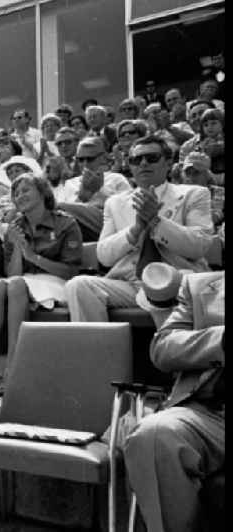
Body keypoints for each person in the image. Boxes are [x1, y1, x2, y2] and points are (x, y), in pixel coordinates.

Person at [65, 136, 214, 321]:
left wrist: (156, 222)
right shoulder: (115, 202)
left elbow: (199, 245)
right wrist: (135, 230)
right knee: (79, 285)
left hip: (177, 279)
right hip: (129, 282)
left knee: (164, 283)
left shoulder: (193, 194)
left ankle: (170, 347)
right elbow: (104, 255)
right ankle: (97, 349)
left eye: (151, 158)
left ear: (168, 162)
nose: (143, 163)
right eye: (136, 160)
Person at [123, 270, 224, 532]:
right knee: (155, 435)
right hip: (210, 414)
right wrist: (220, 340)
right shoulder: (199, 286)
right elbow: (163, 348)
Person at [0, 174, 82, 393]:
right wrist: (17, 249)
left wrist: (33, 257)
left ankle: (14, 367)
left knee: (16, 285)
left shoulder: (66, 223)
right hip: (23, 282)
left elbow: (70, 272)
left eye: (26, 190)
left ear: (43, 193)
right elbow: (13, 273)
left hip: (57, 282)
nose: (20, 196)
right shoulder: (15, 226)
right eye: (16, 193)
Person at [57, 136, 132, 241]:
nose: (85, 164)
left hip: (107, 223)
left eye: (90, 159)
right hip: (75, 227)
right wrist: (82, 197)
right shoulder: (70, 183)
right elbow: (59, 214)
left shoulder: (116, 178)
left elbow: (126, 211)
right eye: (80, 160)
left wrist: (99, 190)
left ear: (102, 158)